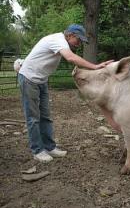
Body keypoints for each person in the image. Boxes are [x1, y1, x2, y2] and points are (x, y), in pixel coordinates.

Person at [18, 24, 113, 163]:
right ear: (70, 35)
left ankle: (49, 147)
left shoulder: (62, 42)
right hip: (29, 79)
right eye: (78, 40)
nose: (79, 43)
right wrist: (96, 66)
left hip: (41, 80)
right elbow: (71, 58)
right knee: (33, 117)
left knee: (45, 116)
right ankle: (37, 150)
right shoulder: (58, 40)